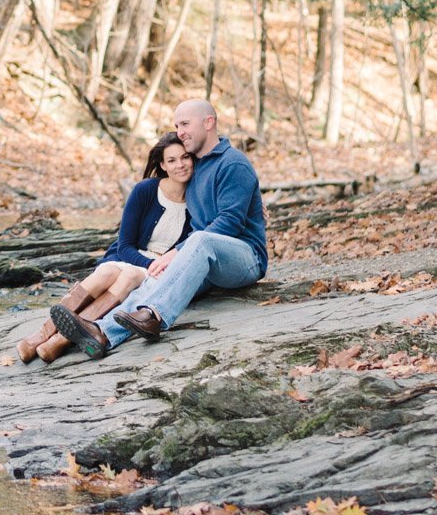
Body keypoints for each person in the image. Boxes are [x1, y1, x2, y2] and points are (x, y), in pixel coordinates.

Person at [51, 98, 267, 359]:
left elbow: (230, 222)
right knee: (155, 282)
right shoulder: (194, 166)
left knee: (199, 241)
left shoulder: (233, 164)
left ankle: (153, 315)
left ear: (209, 122)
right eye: (177, 126)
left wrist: (176, 252)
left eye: (185, 124)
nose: (180, 132)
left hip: (245, 259)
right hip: (205, 259)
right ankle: (102, 333)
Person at [17, 133, 193, 364]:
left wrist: (156, 266)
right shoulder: (145, 190)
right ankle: (41, 335)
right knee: (108, 272)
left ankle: (60, 341)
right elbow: (124, 245)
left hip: (155, 270)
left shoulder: (198, 200)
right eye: (171, 160)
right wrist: (150, 264)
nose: (180, 165)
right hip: (132, 257)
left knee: (129, 276)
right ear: (162, 165)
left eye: (185, 157)